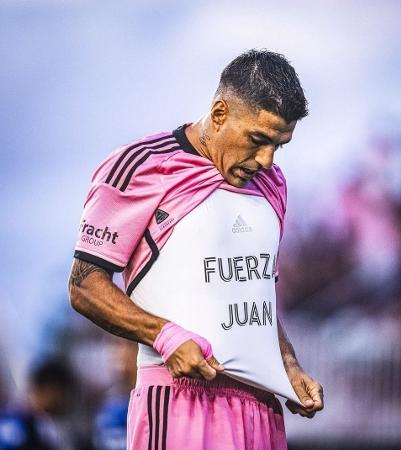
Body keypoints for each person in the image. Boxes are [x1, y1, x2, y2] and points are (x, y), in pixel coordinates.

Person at [69, 49, 324, 450]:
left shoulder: (273, 185)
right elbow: (84, 285)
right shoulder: (141, 167)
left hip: (262, 408)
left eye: (279, 145)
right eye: (258, 140)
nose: (266, 159)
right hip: (178, 399)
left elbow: (253, 296)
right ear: (220, 113)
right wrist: (164, 336)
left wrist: (288, 366)